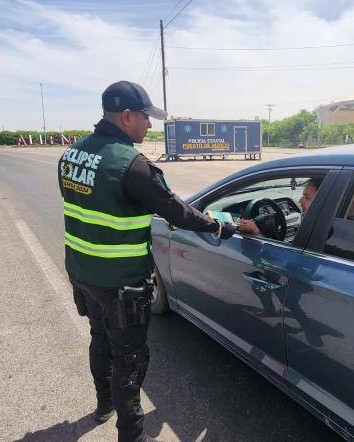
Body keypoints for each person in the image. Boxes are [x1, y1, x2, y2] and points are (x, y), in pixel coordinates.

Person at [58, 80, 236, 442]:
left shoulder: (71, 155)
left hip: (82, 273)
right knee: (129, 362)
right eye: (145, 118)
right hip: (121, 283)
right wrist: (218, 226)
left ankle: (103, 405)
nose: (149, 125)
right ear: (126, 116)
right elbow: (179, 213)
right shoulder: (133, 167)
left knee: (98, 339)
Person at [238, 177, 321, 237]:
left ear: (322, 200)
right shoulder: (323, 225)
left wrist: (256, 231)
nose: (300, 201)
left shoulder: (316, 233)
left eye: (307, 197)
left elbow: (284, 260)